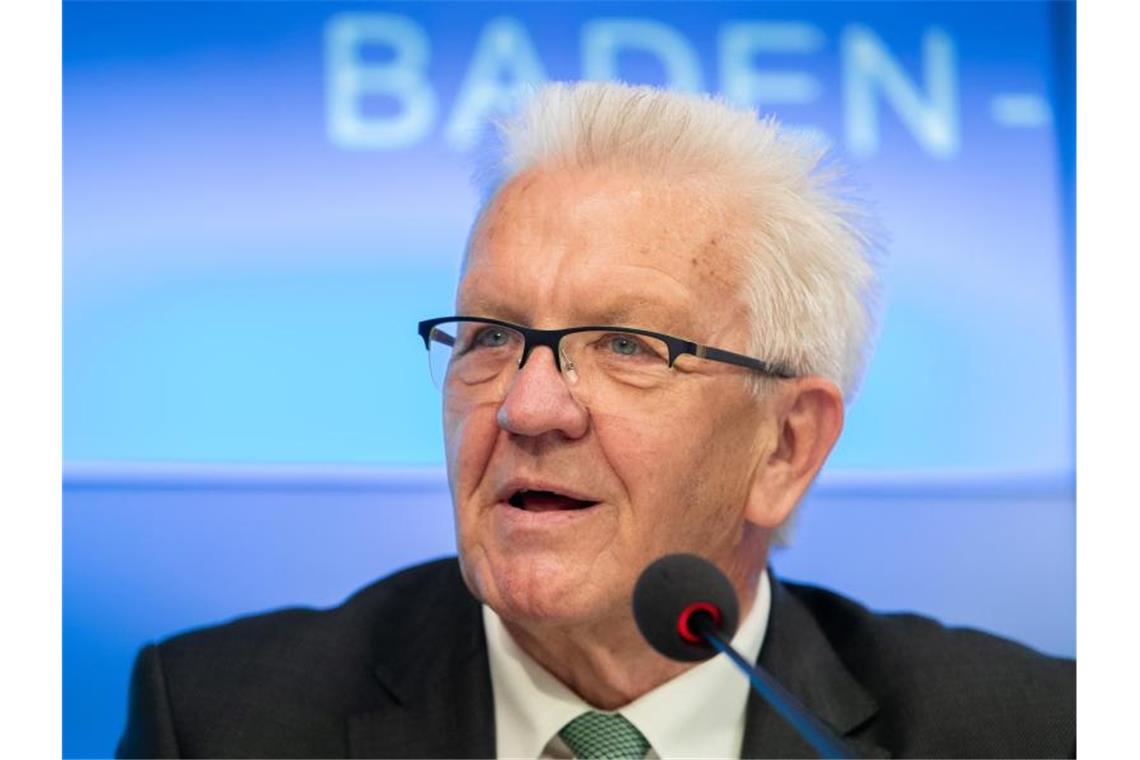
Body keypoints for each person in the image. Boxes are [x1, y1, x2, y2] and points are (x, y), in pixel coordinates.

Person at [117, 81, 1075, 759]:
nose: (528, 407)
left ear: (785, 446)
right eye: (490, 334)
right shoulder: (217, 719)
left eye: (626, 345)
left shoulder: (1035, 732)